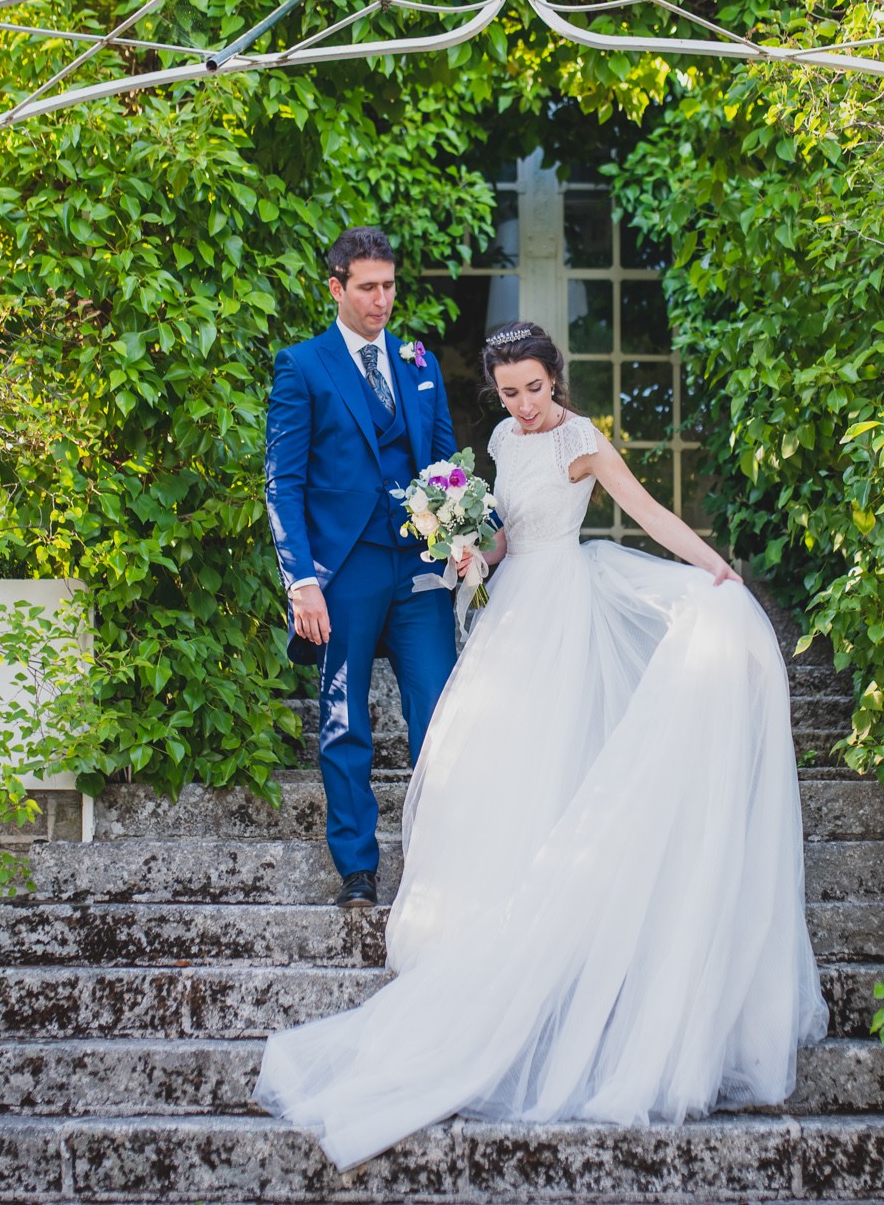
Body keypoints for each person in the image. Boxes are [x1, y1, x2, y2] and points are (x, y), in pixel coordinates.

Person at [255, 321, 827, 1169]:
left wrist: (719, 569)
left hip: (567, 610)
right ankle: (482, 922)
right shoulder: (495, 440)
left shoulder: (585, 443)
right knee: (485, 770)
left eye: (536, 387)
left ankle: (560, 933)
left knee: (558, 761)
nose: (524, 404)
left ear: (557, 379)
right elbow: (504, 536)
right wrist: (469, 552)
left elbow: (651, 513)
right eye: (510, 391)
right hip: (510, 612)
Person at [264, 226, 462, 908]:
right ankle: (357, 868)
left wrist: (462, 535)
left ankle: (439, 857)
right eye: (368, 287)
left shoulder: (418, 360)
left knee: (438, 714)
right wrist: (302, 579)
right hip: (344, 570)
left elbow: (444, 464)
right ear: (336, 288)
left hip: (419, 569)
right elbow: (282, 483)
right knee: (346, 719)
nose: (382, 301)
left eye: (390, 286)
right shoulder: (303, 366)